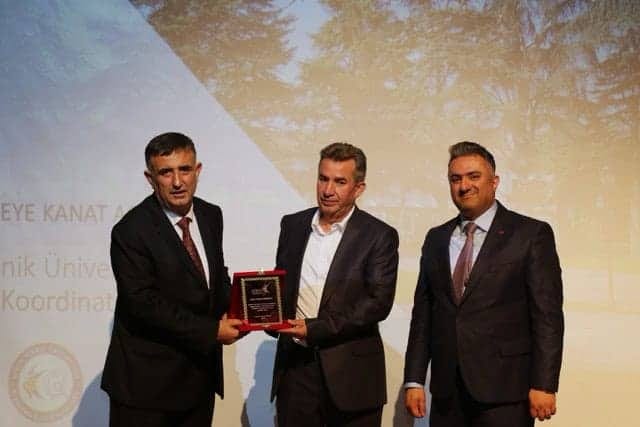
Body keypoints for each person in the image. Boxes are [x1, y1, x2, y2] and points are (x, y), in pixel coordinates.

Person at [403, 141, 564, 426]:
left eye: (473, 176)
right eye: (455, 179)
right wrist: (414, 380)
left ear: (494, 181)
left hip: (506, 391)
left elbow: (547, 316)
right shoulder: (436, 238)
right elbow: (423, 315)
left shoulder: (530, 234)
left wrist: (544, 383)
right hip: (447, 392)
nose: (464, 186)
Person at [101, 132, 244, 427]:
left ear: (198, 170)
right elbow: (143, 304)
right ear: (150, 178)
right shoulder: (130, 231)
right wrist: (212, 330)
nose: (177, 182)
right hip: (146, 388)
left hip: (198, 380)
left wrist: (240, 310)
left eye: (185, 169)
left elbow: (214, 277)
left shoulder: (210, 215)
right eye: (166, 172)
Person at [270, 142, 399, 426]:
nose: (328, 190)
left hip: (352, 377)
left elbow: (377, 303)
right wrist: (264, 316)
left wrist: (315, 329)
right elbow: (281, 287)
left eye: (340, 182)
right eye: (323, 178)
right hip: (296, 372)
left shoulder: (379, 235)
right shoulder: (292, 225)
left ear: (358, 188)